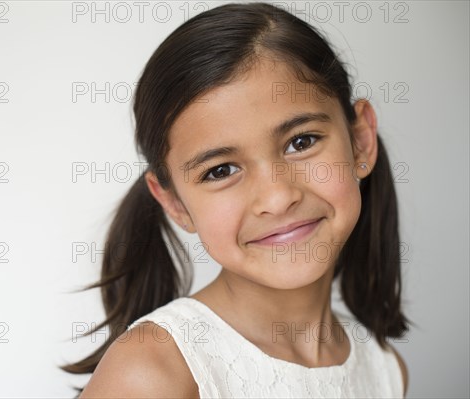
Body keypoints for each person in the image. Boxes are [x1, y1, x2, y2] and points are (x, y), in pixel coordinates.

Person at [63, 2, 412, 397]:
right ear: (174, 202)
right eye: (221, 170)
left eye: (301, 142)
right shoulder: (153, 371)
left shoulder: (385, 370)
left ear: (360, 140)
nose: (278, 198)